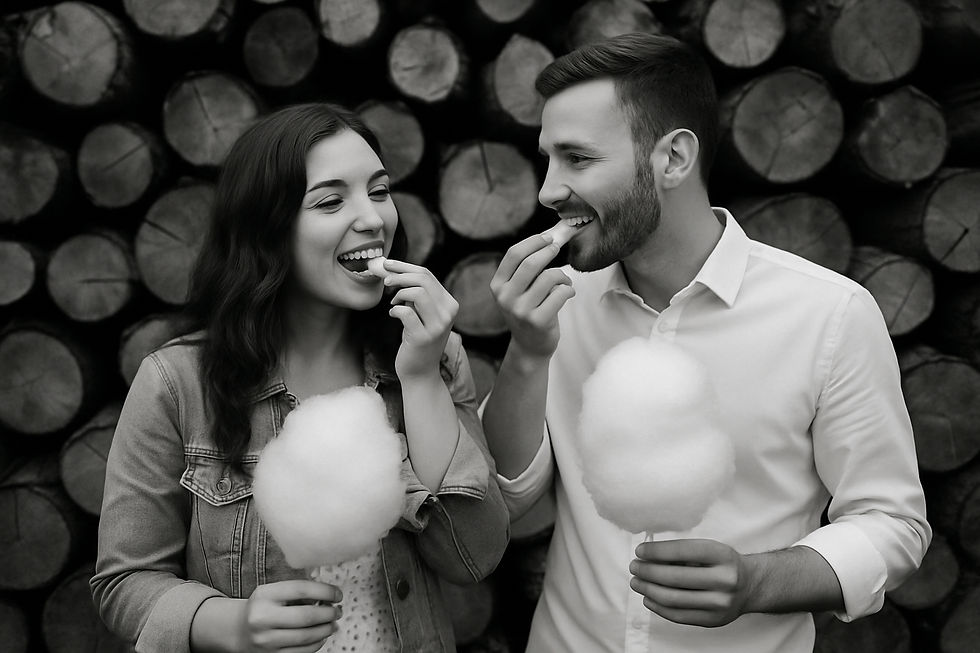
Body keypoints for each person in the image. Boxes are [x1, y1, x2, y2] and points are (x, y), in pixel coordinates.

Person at [482, 33, 931, 653]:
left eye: (577, 159)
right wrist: (527, 353)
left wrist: (757, 582)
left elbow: (893, 524)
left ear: (673, 159)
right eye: (548, 160)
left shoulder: (830, 314)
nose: (548, 190)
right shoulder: (560, 304)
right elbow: (503, 496)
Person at [92, 103, 509, 653]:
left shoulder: (431, 356)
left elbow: (471, 557)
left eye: (380, 191)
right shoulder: (176, 383)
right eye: (332, 201)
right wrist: (230, 624)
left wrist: (422, 377)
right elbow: (122, 582)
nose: (372, 218)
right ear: (267, 228)